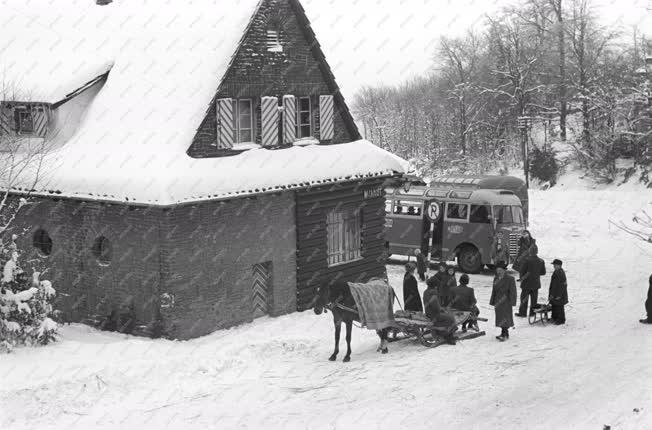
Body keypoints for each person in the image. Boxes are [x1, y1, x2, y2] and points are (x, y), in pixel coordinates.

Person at [490, 261, 517, 341]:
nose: (499, 272)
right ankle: (503, 332)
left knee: (505, 317)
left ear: (504, 270)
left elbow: (513, 291)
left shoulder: (510, 279)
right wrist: (492, 300)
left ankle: (505, 333)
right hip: (498, 301)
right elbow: (494, 290)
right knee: (500, 318)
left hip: (506, 301)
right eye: (498, 270)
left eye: (500, 270)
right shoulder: (496, 278)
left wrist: (513, 301)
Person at [516, 245, 546, 317]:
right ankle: (532, 313)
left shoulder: (526, 260)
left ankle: (522, 313)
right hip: (536, 284)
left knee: (524, 300)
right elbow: (543, 272)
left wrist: (522, 279)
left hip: (526, 284)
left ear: (530, 251)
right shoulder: (541, 261)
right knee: (534, 300)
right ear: (537, 251)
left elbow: (522, 271)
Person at [548, 259, 568, 325]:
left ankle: (561, 319)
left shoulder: (560, 273)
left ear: (559, 265)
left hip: (559, 293)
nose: (553, 266)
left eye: (555, 265)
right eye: (553, 265)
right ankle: (554, 317)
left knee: (559, 306)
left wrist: (559, 295)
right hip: (554, 292)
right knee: (554, 305)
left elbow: (563, 285)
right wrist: (551, 294)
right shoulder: (556, 271)